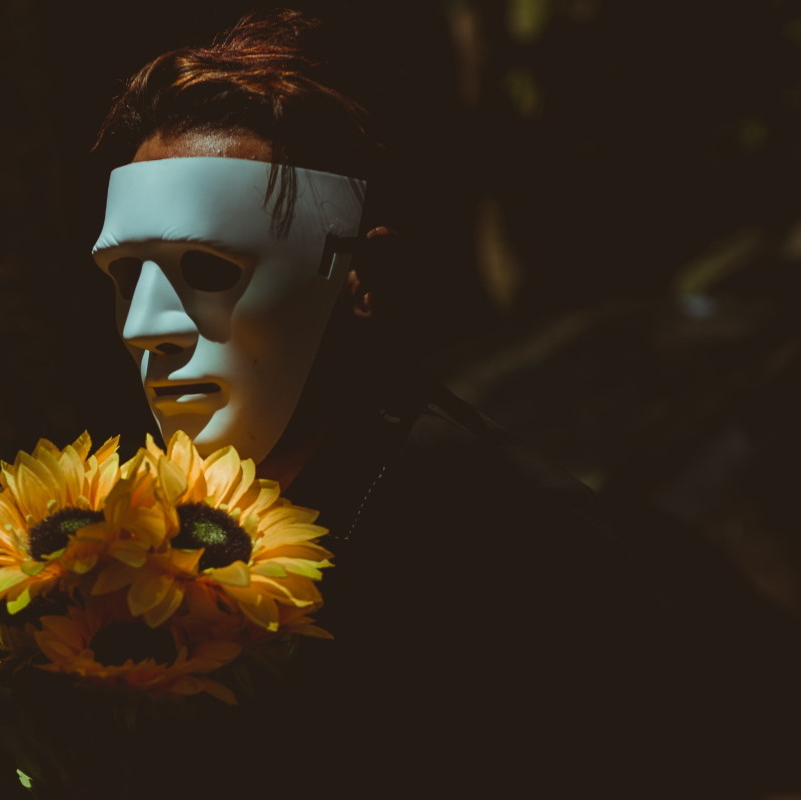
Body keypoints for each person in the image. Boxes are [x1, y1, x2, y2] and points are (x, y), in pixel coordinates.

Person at [89, 10, 800, 799]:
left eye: (209, 268)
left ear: (359, 279)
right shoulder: (188, 521)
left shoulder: (493, 541)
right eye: (126, 277)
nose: (145, 328)